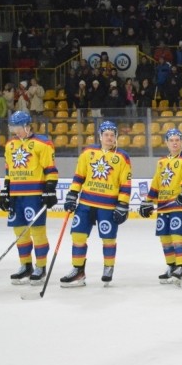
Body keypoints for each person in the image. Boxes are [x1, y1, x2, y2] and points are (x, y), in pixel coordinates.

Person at [60, 121, 132, 288]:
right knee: (78, 235)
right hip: (86, 203)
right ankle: (78, 270)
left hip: (108, 206)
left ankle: (108, 267)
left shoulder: (122, 157)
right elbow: (79, 176)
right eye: (106, 135)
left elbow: (125, 184)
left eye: (112, 135)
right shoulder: (88, 152)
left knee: (108, 238)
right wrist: (72, 194)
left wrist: (122, 204)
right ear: (100, 136)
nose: (109, 138)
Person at [0, 111, 58, 285]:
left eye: (17, 127)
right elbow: (9, 171)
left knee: (37, 232)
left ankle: (40, 267)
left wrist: (50, 189)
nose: (15, 131)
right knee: (20, 232)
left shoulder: (43, 143)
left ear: (27, 126)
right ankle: (25, 265)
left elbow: (50, 169)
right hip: (16, 195)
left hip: (34, 195)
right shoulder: (10, 144)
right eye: (13, 127)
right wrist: (5, 191)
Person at [139, 128, 182, 285]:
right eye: (171, 140)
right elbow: (156, 183)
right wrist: (148, 201)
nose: (174, 143)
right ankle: (171, 266)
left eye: (177, 140)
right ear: (166, 143)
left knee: (178, 237)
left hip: (179, 205)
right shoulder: (161, 162)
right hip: (163, 205)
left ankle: (181, 267)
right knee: (165, 238)